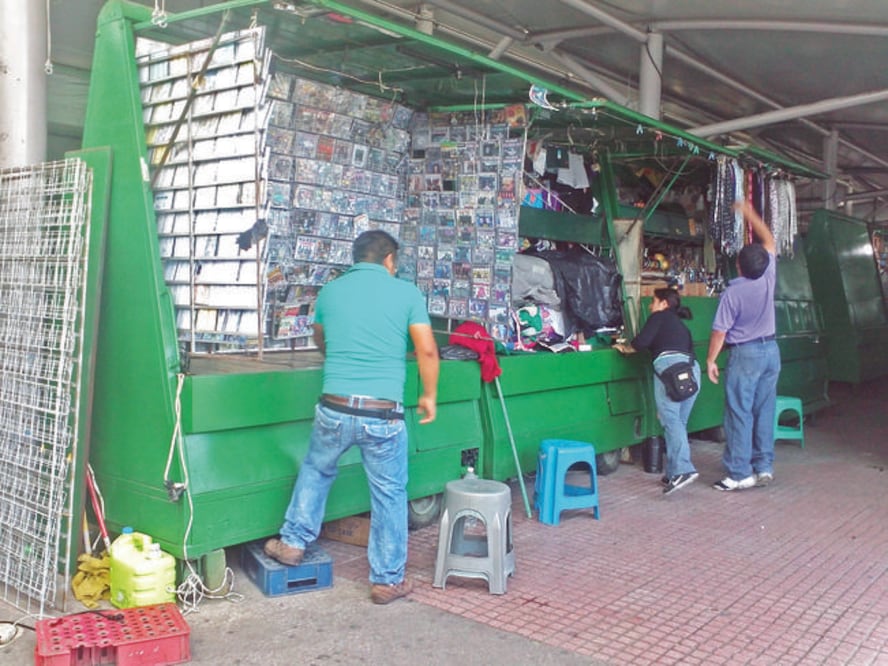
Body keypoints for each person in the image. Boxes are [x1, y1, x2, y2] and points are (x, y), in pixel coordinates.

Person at [264, 230, 440, 604]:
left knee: (316, 469)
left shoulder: (331, 291)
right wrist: (428, 396)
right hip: (383, 413)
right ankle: (386, 580)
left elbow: (321, 339)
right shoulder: (406, 293)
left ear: (356, 258)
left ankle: (293, 542)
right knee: (390, 494)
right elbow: (426, 351)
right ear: (390, 260)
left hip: (335, 406)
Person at [705, 201, 780, 491]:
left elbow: (719, 332)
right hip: (771, 352)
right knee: (764, 409)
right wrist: (748, 211)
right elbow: (770, 240)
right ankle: (763, 467)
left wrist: (711, 360)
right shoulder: (768, 277)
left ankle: (739, 473)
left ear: (738, 265)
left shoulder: (732, 294)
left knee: (739, 411)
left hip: (745, 354)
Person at [615, 288, 701, 495]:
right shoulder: (680, 325)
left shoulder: (659, 317)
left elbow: (641, 342)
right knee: (678, 423)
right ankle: (673, 473)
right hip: (692, 372)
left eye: (653, 301)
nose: (650, 306)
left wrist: (625, 348)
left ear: (664, 304)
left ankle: (684, 470)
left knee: (671, 421)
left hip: (669, 372)